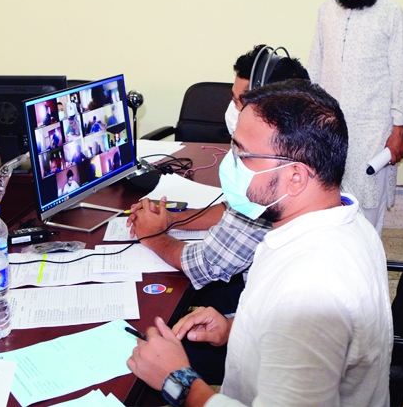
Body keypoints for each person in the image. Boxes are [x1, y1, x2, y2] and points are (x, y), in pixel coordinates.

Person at [127, 79, 392, 407]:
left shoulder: (311, 289)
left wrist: (178, 380)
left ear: (296, 177)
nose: (230, 163)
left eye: (243, 154)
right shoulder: (340, 217)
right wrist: (234, 328)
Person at [128, 46, 309, 383]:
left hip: (261, 346)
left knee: (142, 336)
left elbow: (205, 264)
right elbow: (232, 212)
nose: (233, 109)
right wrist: (172, 220)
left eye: (241, 101)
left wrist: (153, 236)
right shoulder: (299, 160)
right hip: (251, 309)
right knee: (171, 304)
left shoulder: (272, 184)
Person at [308, 0, 403, 235]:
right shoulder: (326, 10)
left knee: (367, 215)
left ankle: (366, 274)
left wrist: (398, 131)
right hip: (328, 129)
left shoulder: (390, 13)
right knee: (327, 206)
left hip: (373, 131)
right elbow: (315, 65)